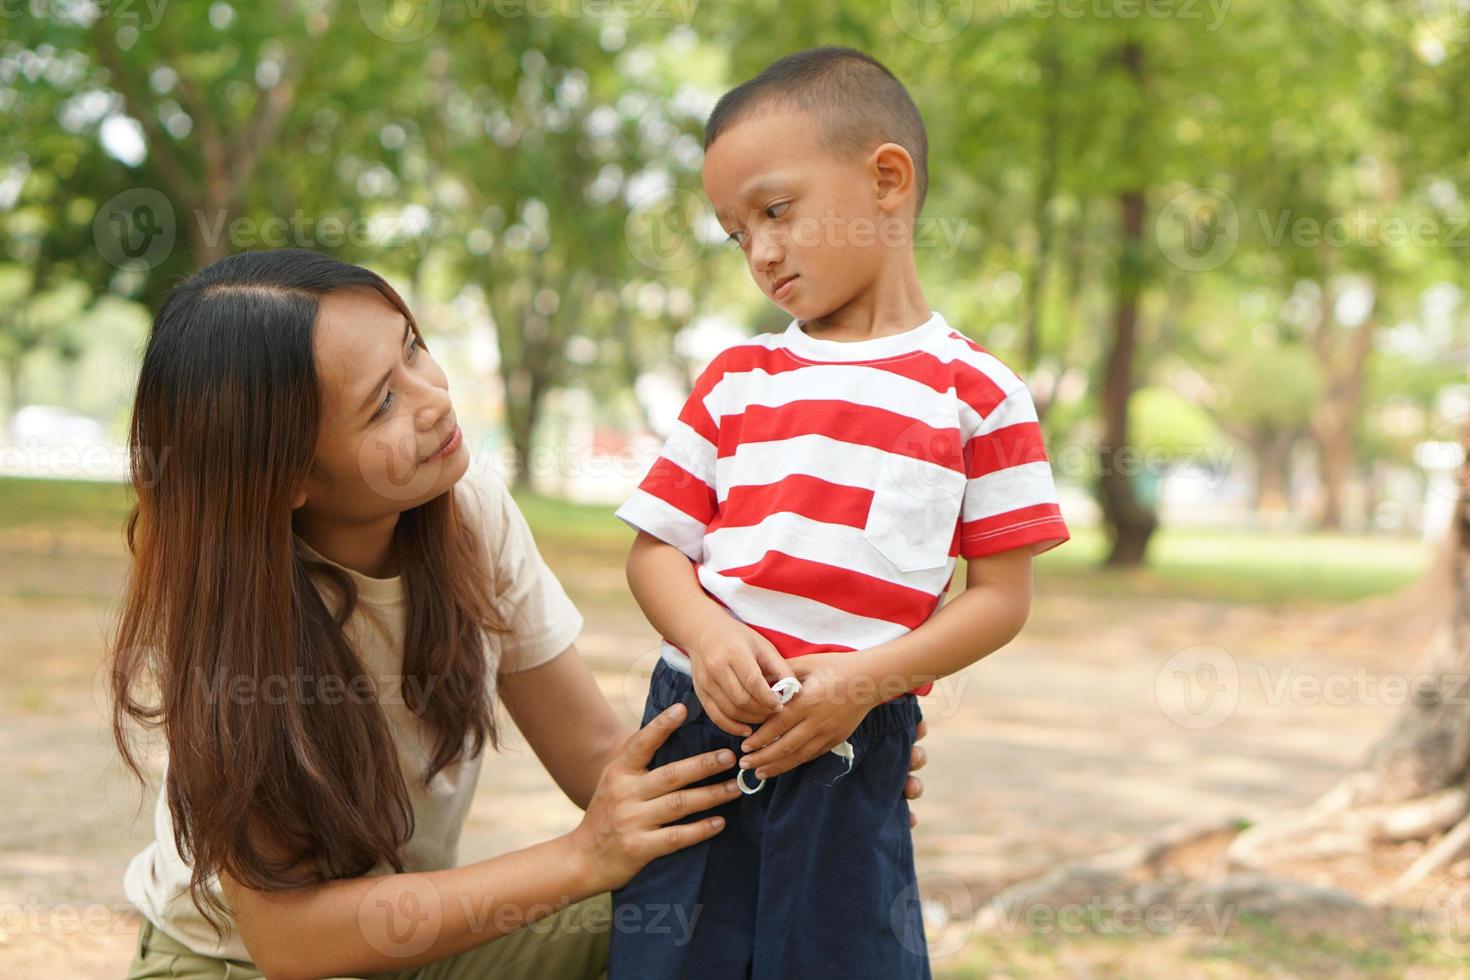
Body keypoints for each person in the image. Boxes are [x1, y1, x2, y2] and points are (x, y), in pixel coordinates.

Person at [109, 247, 933, 979]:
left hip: (416, 945)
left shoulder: (466, 512)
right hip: (234, 963)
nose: (433, 399)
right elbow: (293, 944)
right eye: (381, 404)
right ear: (285, 474)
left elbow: (601, 763)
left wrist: (811, 760)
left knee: (702, 915)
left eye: (416, 353)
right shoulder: (225, 613)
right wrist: (580, 858)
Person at [610, 47, 1071, 979]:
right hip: (698, 732)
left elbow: (1000, 598)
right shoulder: (740, 381)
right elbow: (654, 552)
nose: (761, 251)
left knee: (845, 958)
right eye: (735, 234)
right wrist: (707, 638)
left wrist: (867, 683)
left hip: (852, 742)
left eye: (776, 210)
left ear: (887, 180)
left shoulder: (978, 394)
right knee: (671, 960)